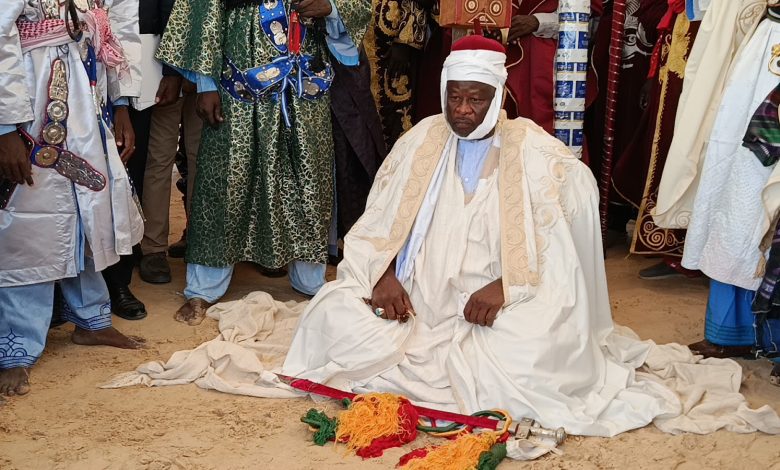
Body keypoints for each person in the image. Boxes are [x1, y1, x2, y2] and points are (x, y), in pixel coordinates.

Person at [279, 35, 667, 435]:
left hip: (493, 307)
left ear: (498, 96)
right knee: (331, 310)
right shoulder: (419, 140)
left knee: (534, 349)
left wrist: (508, 285)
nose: (462, 110)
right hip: (413, 300)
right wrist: (382, 274)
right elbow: (378, 223)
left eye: (476, 99)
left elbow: (561, 250)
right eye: (454, 97)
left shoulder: (537, 153)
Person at [155, 0, 371, 324]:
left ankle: (311, 281)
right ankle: (203, 287)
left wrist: (331, 7)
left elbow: (358, 5)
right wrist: (206, 83)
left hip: (303, 83)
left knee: (308, 180)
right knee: (226, 182)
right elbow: (202, 9)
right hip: (238, 84)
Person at [0, 0, 146, 398]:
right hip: (29, 99)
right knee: (28, 220)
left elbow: (118, 24)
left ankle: (90, 320)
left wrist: (121, 104)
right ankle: (15, 347)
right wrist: (6, 127)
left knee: (90, 210)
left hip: (87, 94)